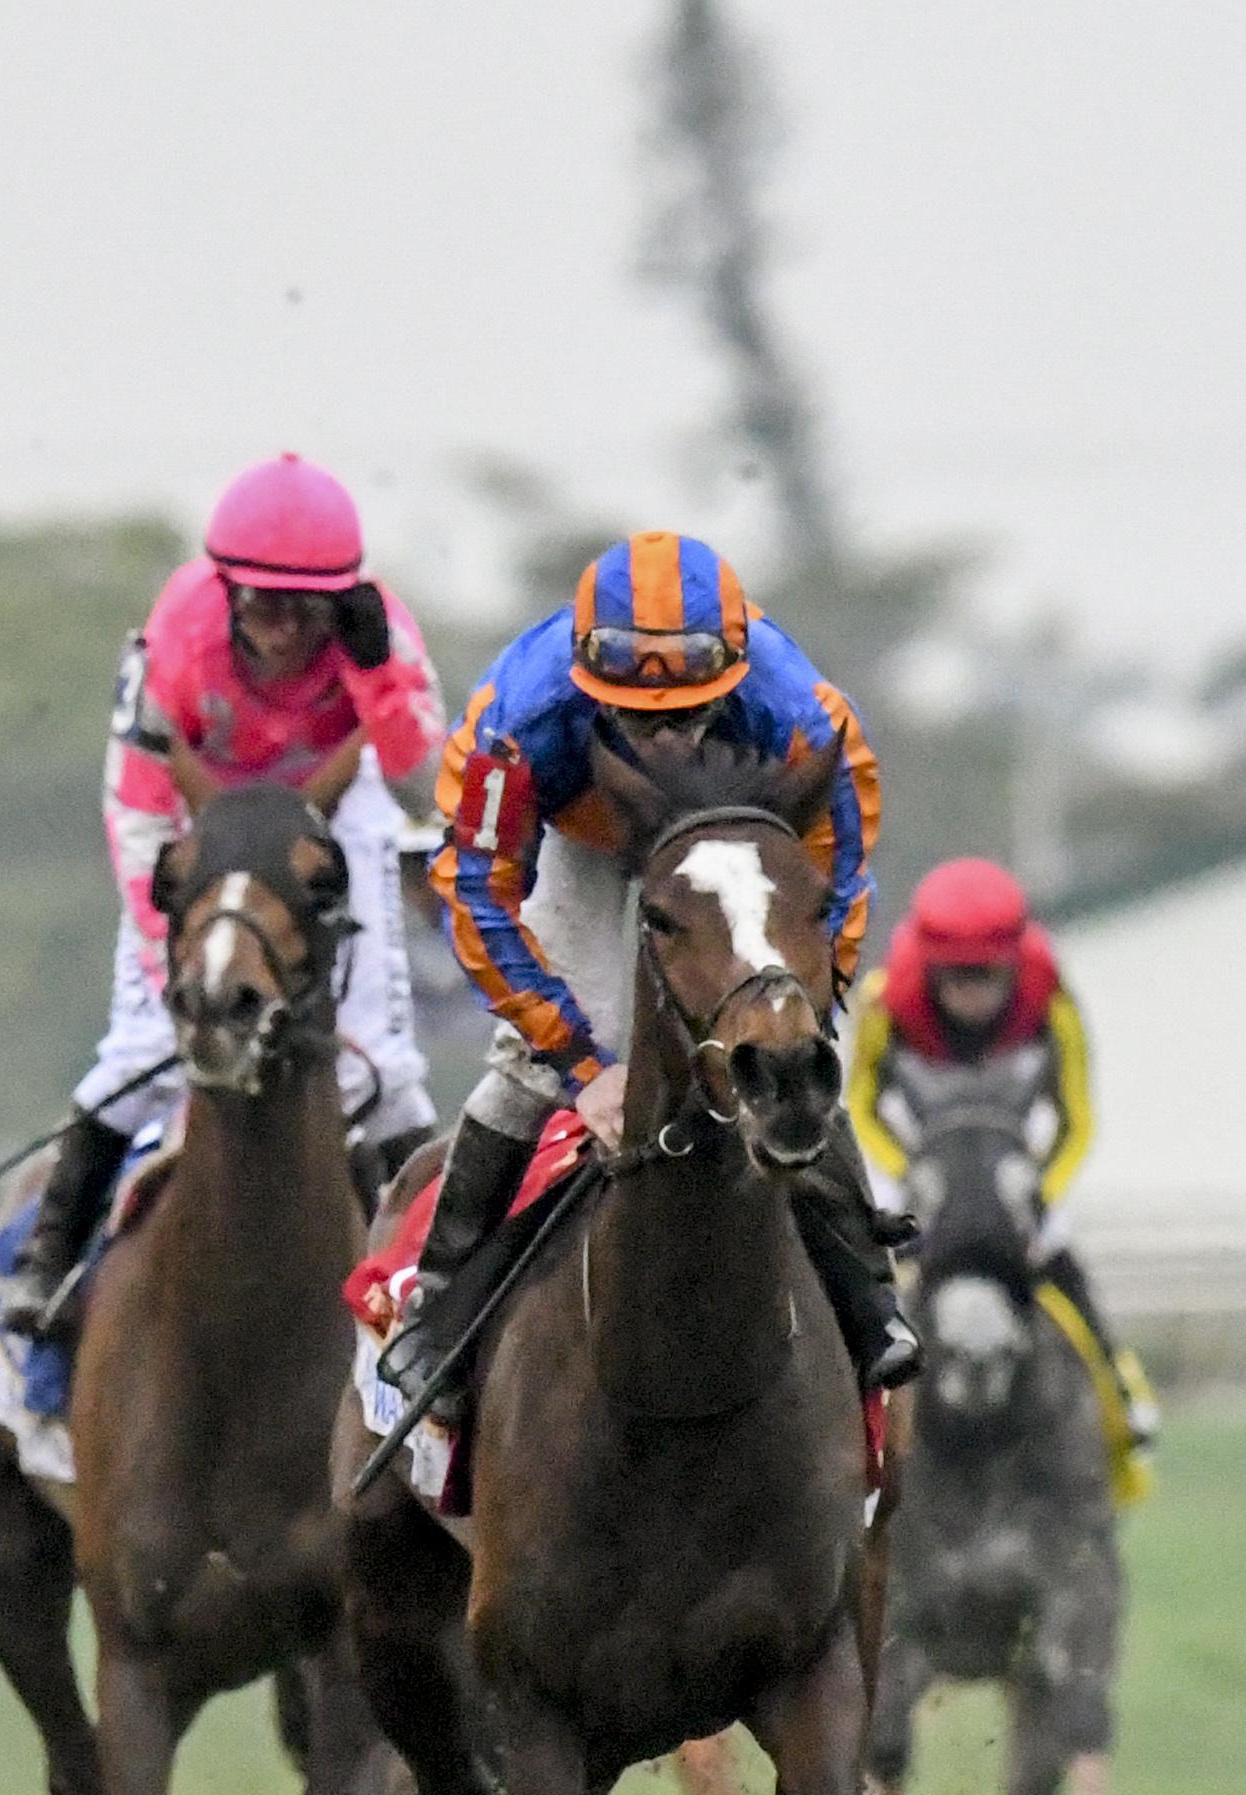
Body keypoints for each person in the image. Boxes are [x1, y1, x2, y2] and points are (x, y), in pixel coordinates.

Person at [382, 529, 915, 1403]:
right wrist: (580, 1066)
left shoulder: (804, 716)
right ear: (589, 684)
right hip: (583, 840)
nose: (663, 738)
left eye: (686, 715)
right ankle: (440, 1302)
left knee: (790, 1050)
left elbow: (841, 872)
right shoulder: (516, 719)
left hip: (736, 837)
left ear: (734, 678)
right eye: (634, 715)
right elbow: (474, 889)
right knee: (530, 1065)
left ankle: (870, 1297)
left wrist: (804, 1006)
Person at [0, 452, 446, 1339]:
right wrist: (172, 935)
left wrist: (372, 673)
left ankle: (438, 1271)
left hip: (332, 803)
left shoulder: (378, 631)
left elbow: (413, 771)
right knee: (138, 1050)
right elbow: (136, 801)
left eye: (307, 609)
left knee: (385, 1063)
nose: (283, 630)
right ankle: (45, 1259)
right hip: (200, 806)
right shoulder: (179, 636)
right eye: (264, 604)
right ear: (228, 588)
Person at [849, 854, 1157, 1454]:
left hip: (1016, 1171)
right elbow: (862, 1105)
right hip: (921, 1170)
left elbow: (1076, 1118)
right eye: (955, 977)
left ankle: (1124, 1393)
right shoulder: (885, 1002)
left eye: (986, 976)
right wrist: (906, 1175)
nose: (971, 994)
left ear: (1014, 965)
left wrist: (1042, 1189)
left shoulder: (1055, 1002)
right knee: (872, 1273)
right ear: (929, 968)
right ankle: (859, 1413)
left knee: (1062, 1264)